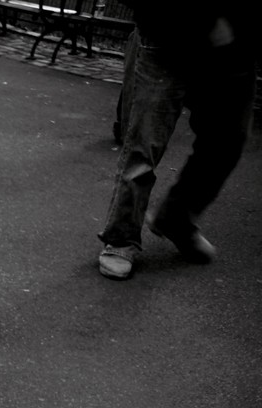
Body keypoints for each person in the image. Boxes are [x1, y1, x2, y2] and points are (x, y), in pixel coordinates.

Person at [96, 1, 258, 280]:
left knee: (227, 140)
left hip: (234, 47)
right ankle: (121, 237)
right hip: (168, 32)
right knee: (145, 143)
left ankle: (176, 218)